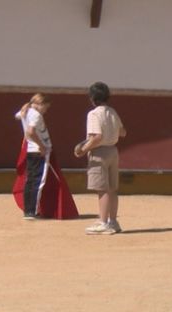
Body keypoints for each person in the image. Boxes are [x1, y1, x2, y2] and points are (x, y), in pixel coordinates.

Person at [73, 82, 125, 235]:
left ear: (92, 98)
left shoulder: (94, 114)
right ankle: (113, 221)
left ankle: (103, 222)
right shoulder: (112, 112)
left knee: (102, 190)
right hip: (113, 151)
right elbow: (123, 132)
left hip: (99, 153)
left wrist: (83, 149)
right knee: (112, 189)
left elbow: (97, 137)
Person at [14, 93, 53, 219]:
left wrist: (27, 106)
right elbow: (30, 132)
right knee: (37, 182)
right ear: (40, 104)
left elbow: (17, 116)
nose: (46, 110)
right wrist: (41, 146)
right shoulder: (36, 115)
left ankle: (28, 210)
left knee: (30, 181)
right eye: (46, 107)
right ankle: (32, 211)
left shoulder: (26, 111)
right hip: (38, 151)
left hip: (31, 151)